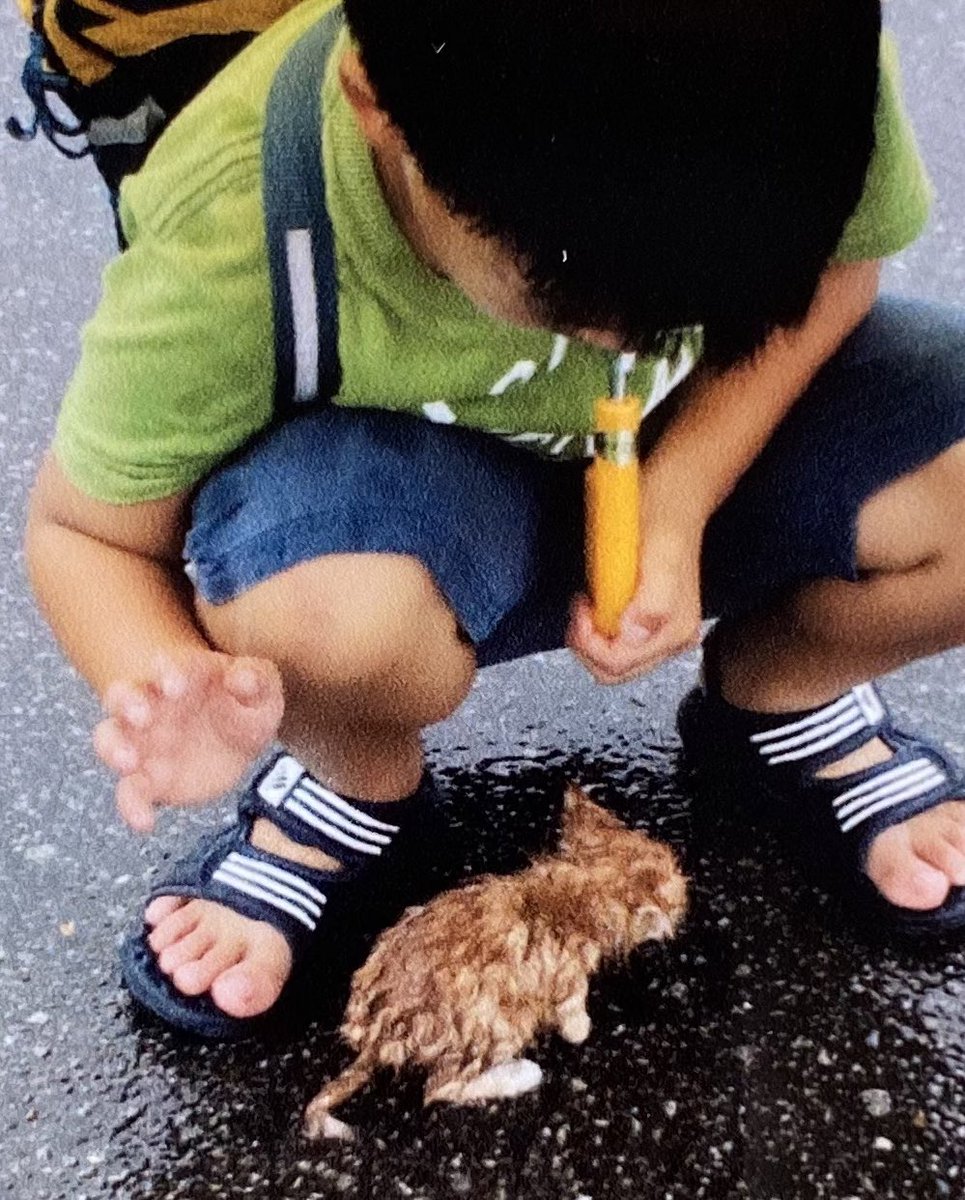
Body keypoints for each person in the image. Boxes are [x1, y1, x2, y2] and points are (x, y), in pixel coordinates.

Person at [23, 0, 965, 1040]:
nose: (635, 337)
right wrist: (166, 670)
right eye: (575, 299)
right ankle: (353, 782)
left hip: (702, 430)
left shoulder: (786, 59)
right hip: (406, 502)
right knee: (313, 616)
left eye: (725, 291)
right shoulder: (234, 224)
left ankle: (783, 695)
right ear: (379, 107)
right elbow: (84, 532)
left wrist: (677, 496)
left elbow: (840, 266)